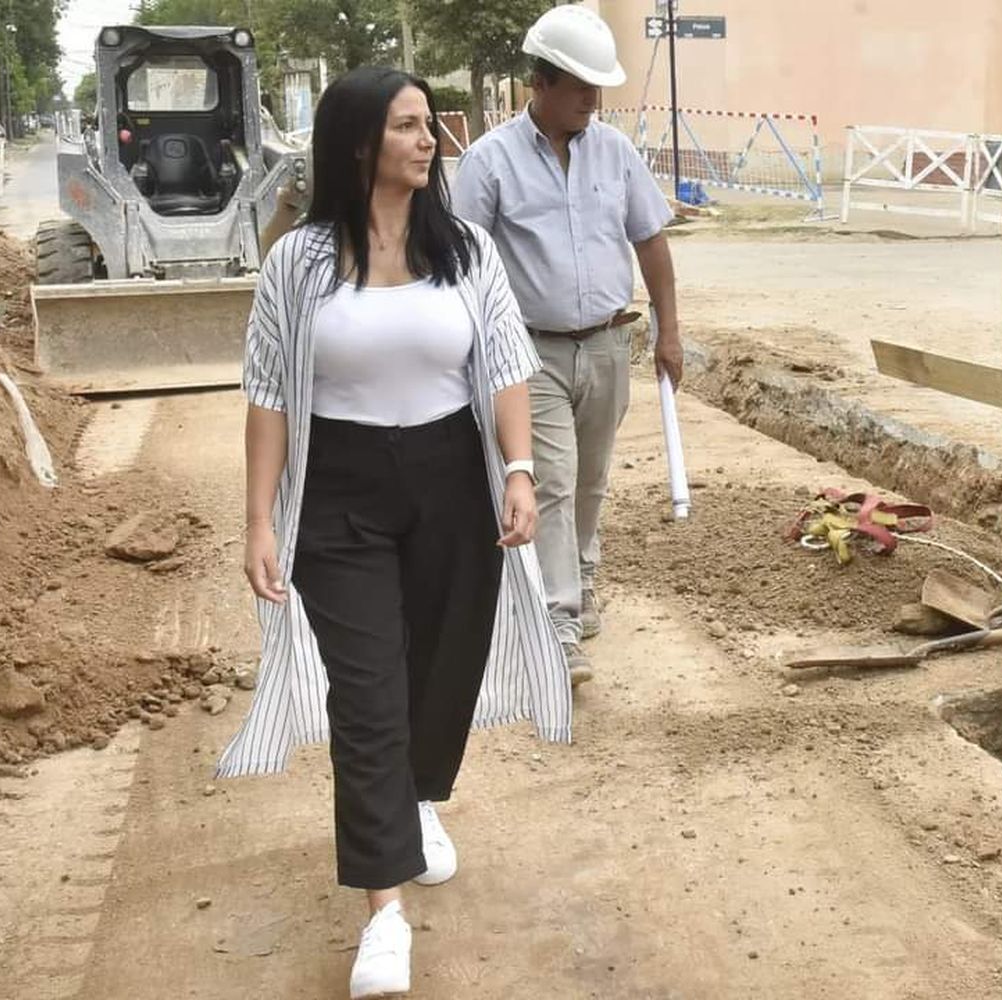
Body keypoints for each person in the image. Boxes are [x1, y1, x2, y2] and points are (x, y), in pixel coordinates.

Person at [222, 66, 571, 999]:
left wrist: (521, 470)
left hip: (452, 484)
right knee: (367, 689)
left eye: (428, 127)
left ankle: (416, 802)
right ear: (358, 144)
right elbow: (266, 396)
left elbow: (503, 363)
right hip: (338, 492)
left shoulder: (464, 251)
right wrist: (259, 518)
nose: (429, 141)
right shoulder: (297, 263)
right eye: (409, 127)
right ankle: (383, 912)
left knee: (443, 661)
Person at [450, 4, 682, 689]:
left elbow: (652, 241)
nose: (592, 99)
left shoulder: (615, 152)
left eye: (597, 87)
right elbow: (466, 265)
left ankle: (580, 575)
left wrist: (669, 330)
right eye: (580, 85)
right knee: (550, 478)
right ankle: (558, 625)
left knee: (590, 477)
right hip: (530, 352)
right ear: (541, 84)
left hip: (609, 343)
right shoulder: (489, 163)